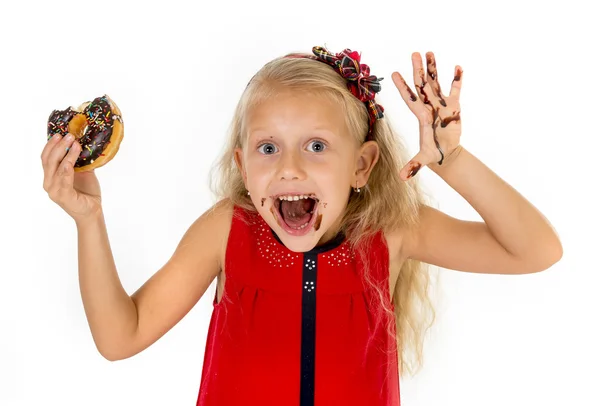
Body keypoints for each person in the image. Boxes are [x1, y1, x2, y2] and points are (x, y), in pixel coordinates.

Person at [41, 45, 563, 406]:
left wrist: (452, 159)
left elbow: (536, 250)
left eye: (316, 146)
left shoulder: (392, 231)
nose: (289, 166)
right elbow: (119, 336)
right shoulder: (228, 230)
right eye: (269, 148)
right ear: (244, 168)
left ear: (361, 165)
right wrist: (90, 221)